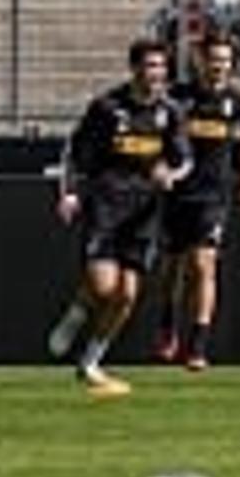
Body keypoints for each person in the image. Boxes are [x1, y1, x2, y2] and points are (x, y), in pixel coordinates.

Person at [47, 38, 189, 397]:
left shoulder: (170, 112)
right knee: (103, 287)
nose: (155, 73)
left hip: (145, 215)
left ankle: (91, 362)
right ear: (134, 68)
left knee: (127, 294)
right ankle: (78, 311)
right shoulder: (107, 108)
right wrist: (70, 193)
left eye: (160, 67)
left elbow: (184, 159)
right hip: (106, 208)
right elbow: (75, 152)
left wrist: (170, 173)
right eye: (149, 66)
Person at [155, 32, 240, 372]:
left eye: (225, 61)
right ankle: (169, 322)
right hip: (177, 194)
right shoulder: (179, 98)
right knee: (173, 270)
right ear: (200, 61)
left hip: (213, 196)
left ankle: (197, 346)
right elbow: (156, 133)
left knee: (204, 265)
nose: (219, 67)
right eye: (214, 60)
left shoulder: (237, 102)